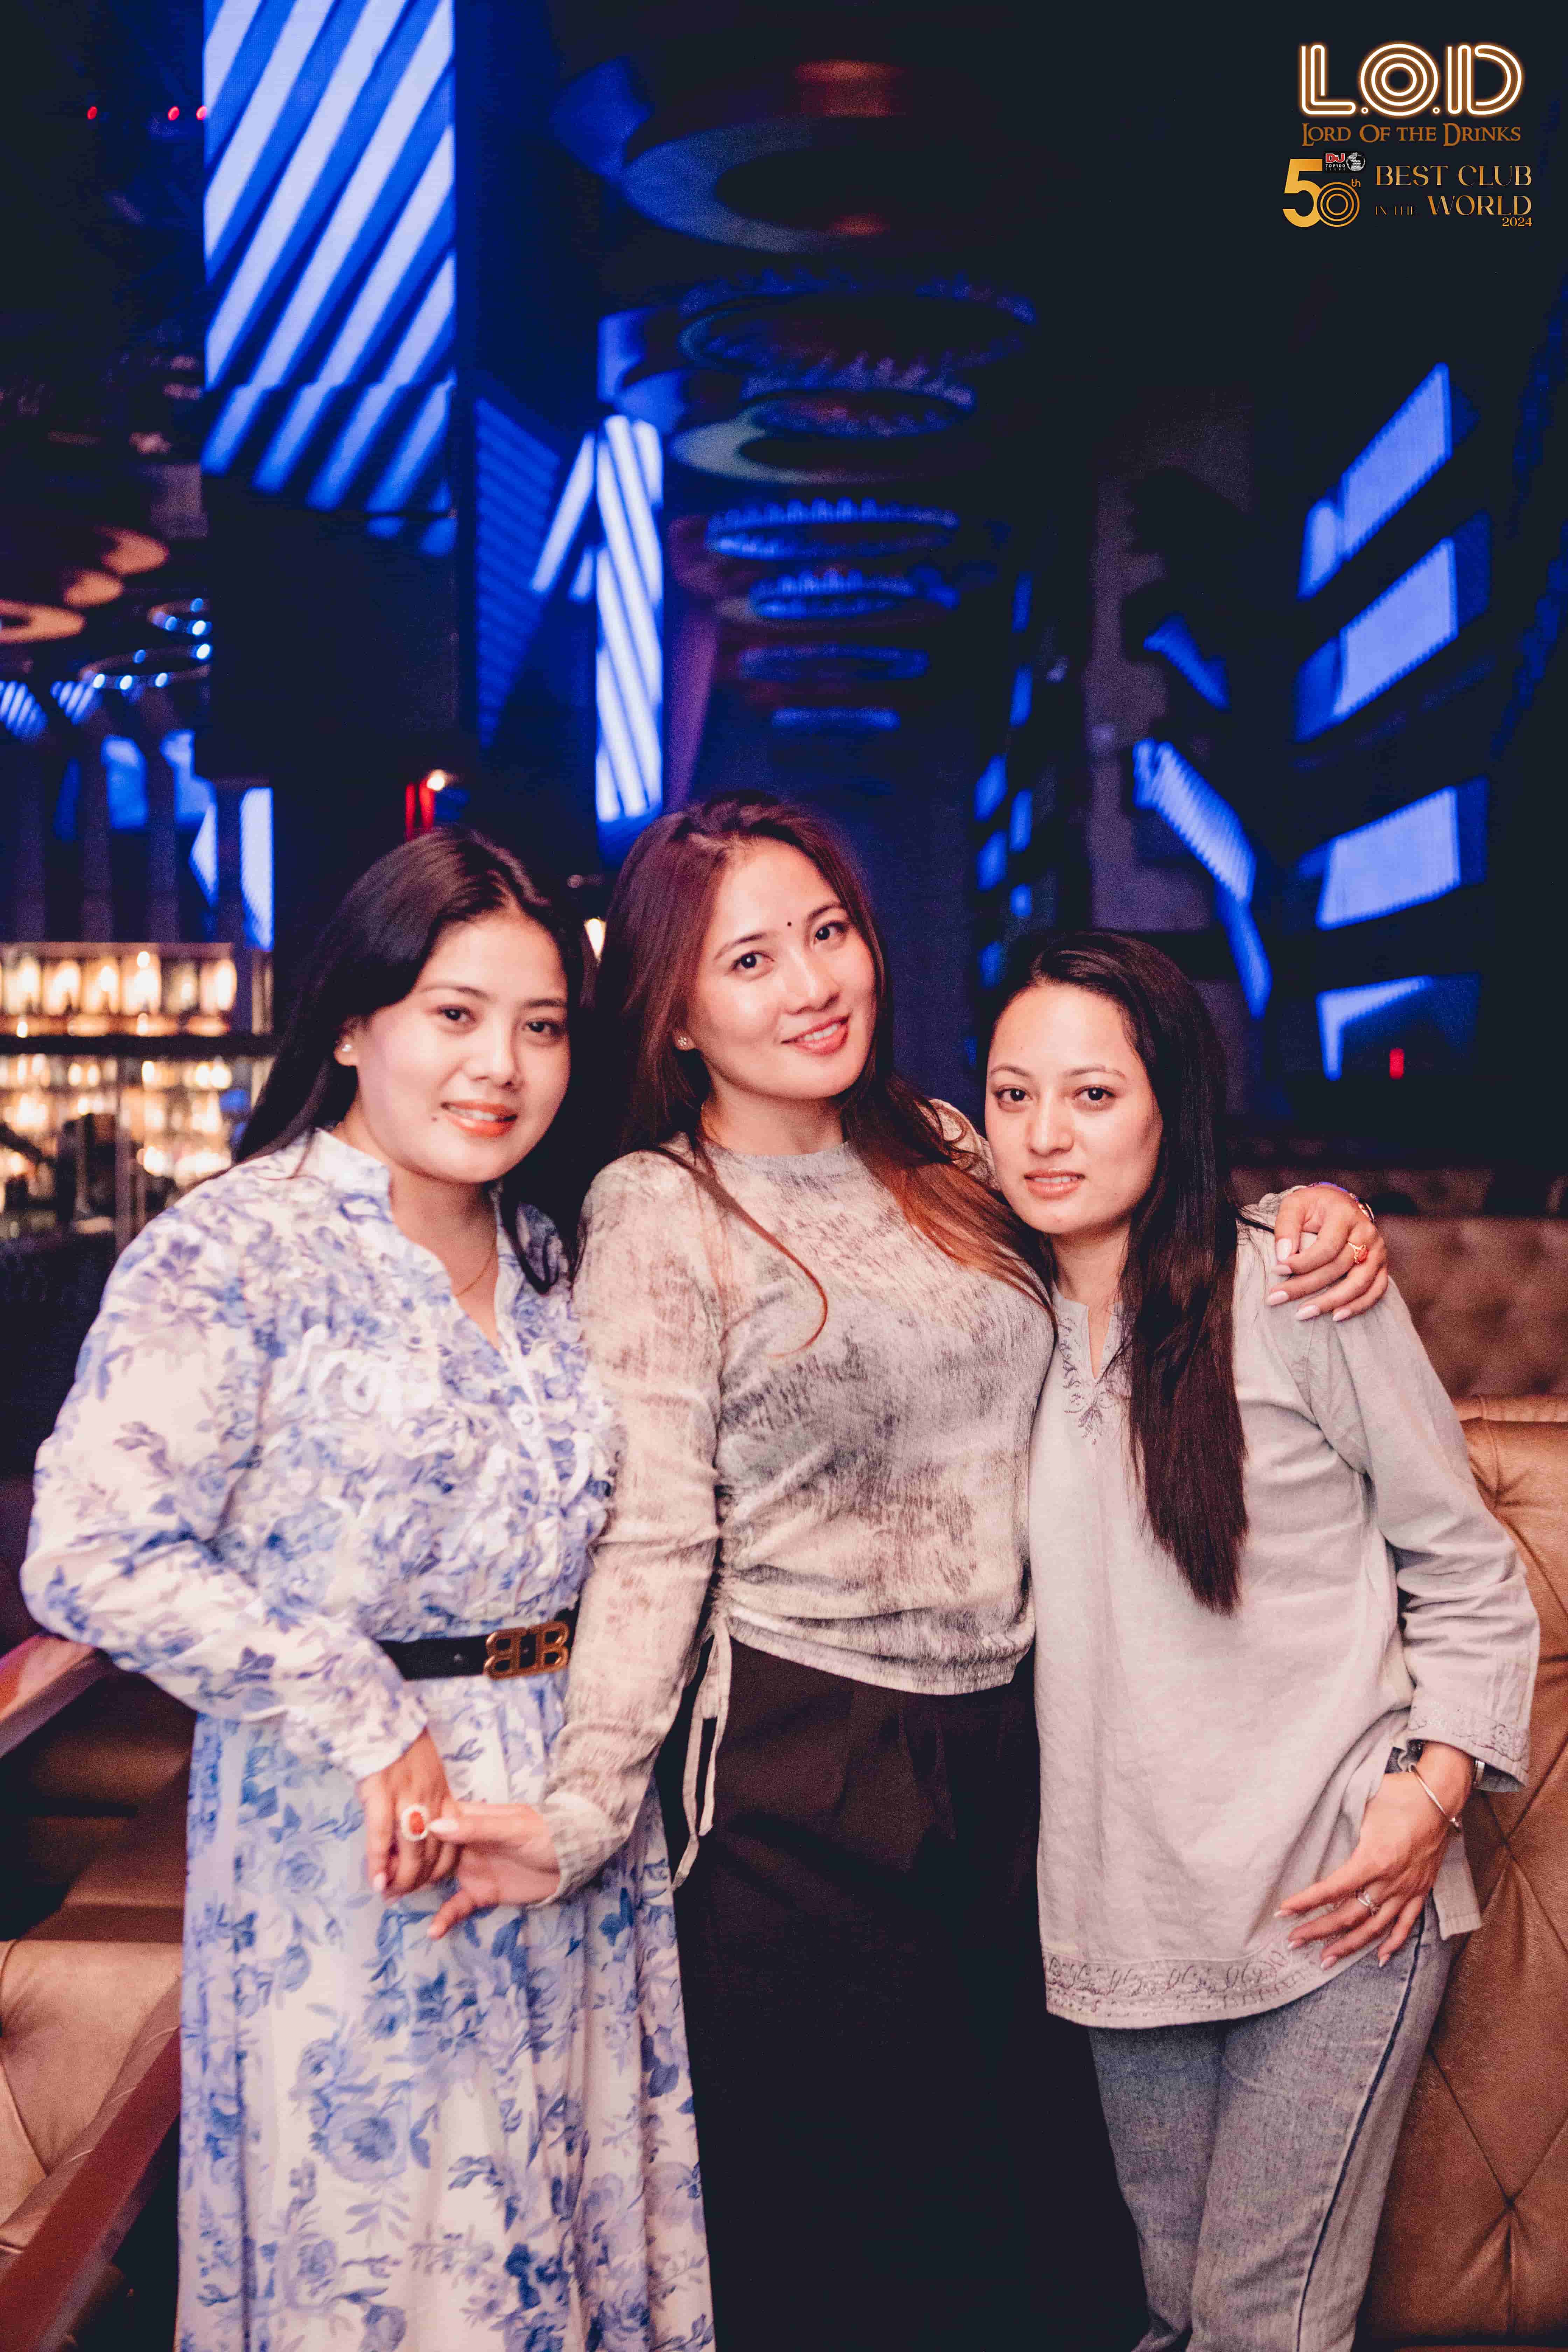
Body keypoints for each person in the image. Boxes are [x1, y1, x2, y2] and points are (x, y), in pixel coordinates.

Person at [424, 795, 1387, 2352]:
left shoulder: (943, 1143)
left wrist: (1302, 1222)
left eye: (829, 933)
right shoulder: (657, 1205)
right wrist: (587, 1804)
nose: (814, 983)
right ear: (675, 1013)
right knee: (864, 2250)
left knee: (1043, 2237)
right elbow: (654, 1534)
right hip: (801, 1767)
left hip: (1022, 1752)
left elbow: (1134, 1231)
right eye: (751, 959)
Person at [23, 830, 712, 2352]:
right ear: (352, 1024)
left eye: (541, 1026)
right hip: (359, 1842)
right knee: (399, 2271)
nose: (500, 1066)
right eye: (454, 1014)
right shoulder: (236, 1248)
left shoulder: (554, 1255)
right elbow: (88, 1549)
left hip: (575, 1826)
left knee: (568, 2244)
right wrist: (361, 1706)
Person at [983, 932, 1538, 2352]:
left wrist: (1428, 1794)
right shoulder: (984, 1325)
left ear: (1170, 1105)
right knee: (1179, 2317)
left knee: (1257, 2324)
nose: (1045, 1135)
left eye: (1093, 1095)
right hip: (1125, 1916)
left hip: (1334, 1900)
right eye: (1012, 1095)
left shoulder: (1294, 1292)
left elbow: (1467, 1569)